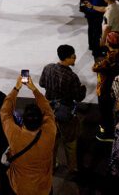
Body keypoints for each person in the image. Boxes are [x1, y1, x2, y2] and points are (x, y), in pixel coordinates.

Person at [0, 74, 56, 195]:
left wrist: (16, 88)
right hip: (43, 188)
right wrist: (34, 89)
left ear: (23, 121)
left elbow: (5, 112)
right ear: (42, 120)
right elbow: (48, 111)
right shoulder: (50, 131)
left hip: (20, 187)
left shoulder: (15, 135)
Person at [39, 44, 86, 174]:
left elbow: (42, 83)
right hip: (65, 114)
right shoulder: (72, 77)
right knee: (70, 142)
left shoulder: (48, 68)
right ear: (66, 58)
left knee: (52, 141)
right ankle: (72, 168)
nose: (75, 58)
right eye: (73, 56)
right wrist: (83, 88)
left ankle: (52, 165)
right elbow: (78, 97)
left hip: (49, 111)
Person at [93, 31, 119, 141]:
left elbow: (95, 68)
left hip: (106, 89)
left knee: (105, 111)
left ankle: (106, 133)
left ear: (108, 42)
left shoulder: (105, 61)